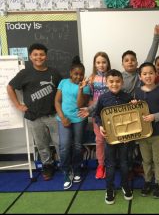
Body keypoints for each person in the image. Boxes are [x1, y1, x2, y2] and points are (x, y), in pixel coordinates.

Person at [7, 43, 62, 181]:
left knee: (60, 143)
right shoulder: (24, 73)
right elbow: (10, 87)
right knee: (42, 145)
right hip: (34, 117)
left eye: (42, 54)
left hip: (53, 115)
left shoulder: (54, 73)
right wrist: (18, 105)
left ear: (46, 56)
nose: (39, 57)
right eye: (35, 54)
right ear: (30, 57)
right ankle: (47, 165)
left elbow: (62, 92)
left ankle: (65, 164)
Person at [121, 24, 159, 177]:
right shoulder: (119, 77)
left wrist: (156, 37)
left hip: (143, 114)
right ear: (122, 64)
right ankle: (129, 167)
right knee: (128, 143)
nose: (130, 62)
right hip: (127, 115)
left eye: (133, 60)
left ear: (138, 63)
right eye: (127, 60)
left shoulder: (142, 74)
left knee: (143, 142)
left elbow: (151, 56)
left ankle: (141, 167)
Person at [94, 69, 134, 205]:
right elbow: (96, 115)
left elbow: (133, 115)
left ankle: (125, 185)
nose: (114, 84)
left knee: (124, 163)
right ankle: (109, 189)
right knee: (110, 165)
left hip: (124, 138)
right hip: (109, 138)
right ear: (106, 82)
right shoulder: (103, 98)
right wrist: (100, 125)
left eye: (117, 81)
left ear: (122, 82)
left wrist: (135, 105)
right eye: (111, 81)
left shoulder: (128, 97)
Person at [134, 62, 159, 199]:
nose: (148, 76)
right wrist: (133, 106)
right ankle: (147, 181)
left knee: (158, 159)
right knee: (146, 160)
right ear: (140, 76)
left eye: (151, 73)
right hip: (142, 134)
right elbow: (134, 113)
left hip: (157, 133)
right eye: (144, 74)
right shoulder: (136, 92)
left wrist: (155, 117)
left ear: (155, 74)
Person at [54, 56, 90, 190]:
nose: (78, 77)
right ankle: (66, 171)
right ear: (70, 73)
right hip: (64, 119)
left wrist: (81, 88)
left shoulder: (85, 86)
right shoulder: (63, 82)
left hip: (79, 119)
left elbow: (81, 104)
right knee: (64, 146)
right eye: (76, 74)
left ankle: (77, 168)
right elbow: (57, 101)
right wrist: (62, 117)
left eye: (81, 74)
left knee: (77, 146)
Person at [78, 52, 111, 180]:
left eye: (103, 62)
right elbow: (88, 97)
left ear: (107, 63)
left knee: (110, 139)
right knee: (99, 140)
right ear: (94, 64)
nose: (101, 65)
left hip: (109, 113)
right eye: (98, 62)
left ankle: (109, 164)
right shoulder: (91, 78)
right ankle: (101, 165)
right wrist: (84, 88)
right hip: (96, 113)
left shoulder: (111, 76)